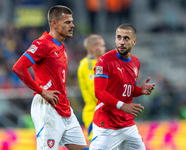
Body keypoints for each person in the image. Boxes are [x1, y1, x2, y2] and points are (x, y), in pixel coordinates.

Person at [12, 5, 89, 150]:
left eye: (72, 22)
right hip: (47, 107)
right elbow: (18, 67)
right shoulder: (42, 44)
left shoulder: (61, 46)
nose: (72, 25)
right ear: (54, 23)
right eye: (67, 22)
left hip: (65, 108)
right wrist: (41, 91)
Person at [89, 23, 155, 150]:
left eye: (126, 38)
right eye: (119, 37)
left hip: (127, 124)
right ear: (115, 39)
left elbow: (128, 89)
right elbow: (99, 92)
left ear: (134, 41)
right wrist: (123, 106)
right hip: (106, 125)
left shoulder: (136, 62)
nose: (121, 42)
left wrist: (141, 90)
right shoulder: (104, 61)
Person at [77, 34, 106, 143]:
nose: (104, 48)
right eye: (102, 45)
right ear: (93, 48)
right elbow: (95, 90)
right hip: (95, 113)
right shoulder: (87, 64)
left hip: (106, 112)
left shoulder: (102, 63)